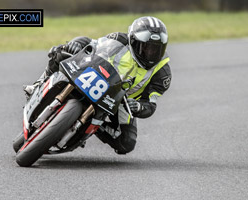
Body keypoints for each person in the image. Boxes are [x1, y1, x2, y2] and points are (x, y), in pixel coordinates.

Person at [24, 16, 172, 155]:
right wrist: (75, 45)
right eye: (146, 48)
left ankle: (94, 126)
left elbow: (151, 104)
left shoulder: (162, 73)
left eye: (156, 49)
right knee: (66, 49)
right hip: (94, 76)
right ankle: (39, 83)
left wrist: (139, 107)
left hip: (121, 102)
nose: (150, 54)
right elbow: (92, 45)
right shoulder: (119, 40)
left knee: (126, 143)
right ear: (133, 41)